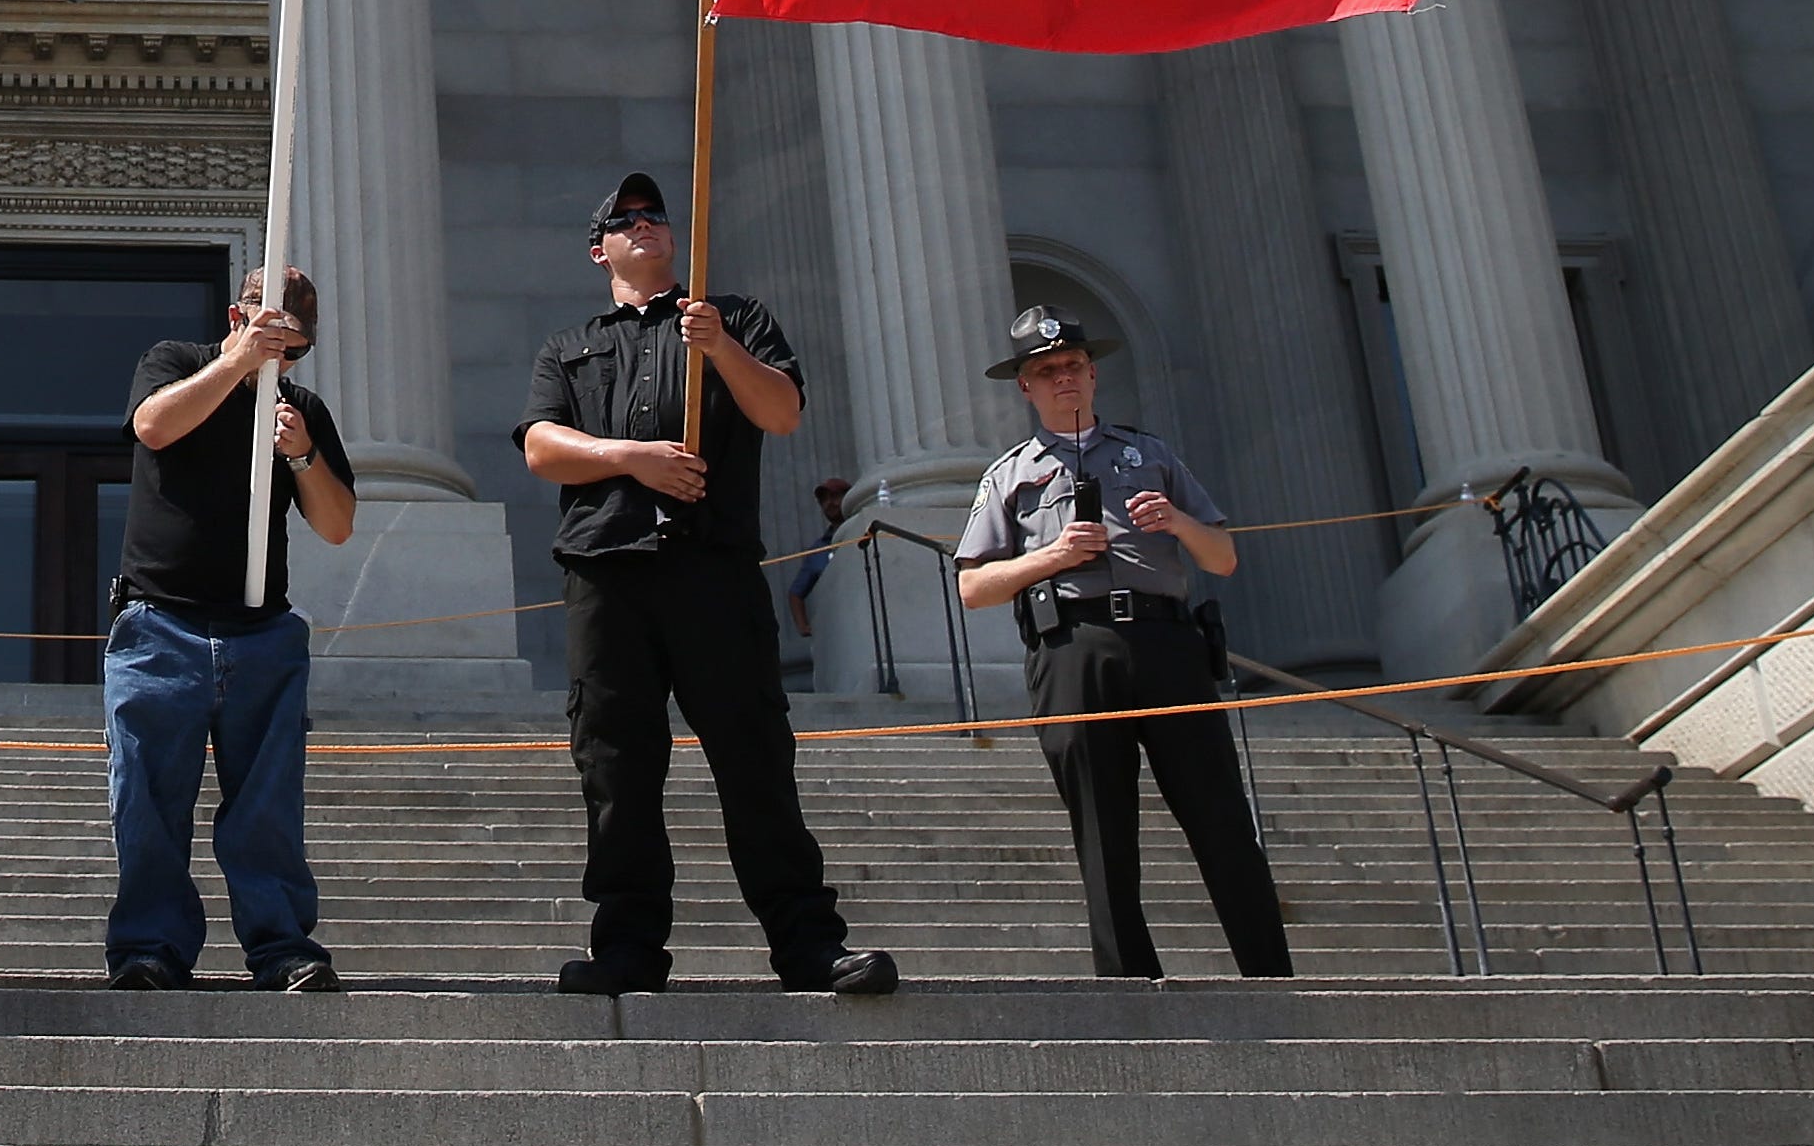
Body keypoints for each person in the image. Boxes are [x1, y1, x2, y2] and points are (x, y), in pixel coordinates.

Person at [519, 171, 895, 998]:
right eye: (627, 218)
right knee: (616, 766)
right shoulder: (571, 345)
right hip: (607, 570)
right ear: (600, 248)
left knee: (753, 756)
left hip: (711, 569)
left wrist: (719, 345)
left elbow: (783, 411)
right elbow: (542, 446)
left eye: (656, 215)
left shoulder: (734, 319)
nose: (647, 225)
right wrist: (632, 457)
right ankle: (627, 950)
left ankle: (806, 944)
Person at [953, 303, 1293, 981]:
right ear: (1027, 386)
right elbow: (974, 587)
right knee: (1103, 831)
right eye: (1047, 372)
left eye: (1073, 366)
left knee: (1219, 814)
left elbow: (1222, 556)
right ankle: (1129, 983)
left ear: (1093, 374)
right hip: (1072, 646)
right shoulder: (1011, 474)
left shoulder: (1151, 454)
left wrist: (1176, 524)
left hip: (1165, 640)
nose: (1064, 380)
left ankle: (1269, 973)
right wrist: (1050, 557)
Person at [103, 270, 358, 992]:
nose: (282, 358)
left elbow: (337, 525)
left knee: (268, 804)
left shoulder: (299, 408)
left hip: (260, 630)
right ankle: (151, 945)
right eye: (272, 337)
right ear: (236, 318)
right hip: (160, 622)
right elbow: (153, 425)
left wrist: (302, 454)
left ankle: (281, 946)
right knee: (148, 797)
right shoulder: (177, 362)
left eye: (294, 348)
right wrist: (239, 363)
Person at [782, 475, 856, 645]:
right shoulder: (818, 550)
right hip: (840, 629)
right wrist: (804, 626)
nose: (830, 503)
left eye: (835, 496)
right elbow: (795, 593)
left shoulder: (865, 529)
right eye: (824, 499)